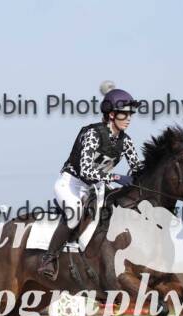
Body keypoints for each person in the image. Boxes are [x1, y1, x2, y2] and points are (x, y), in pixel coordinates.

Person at [38, 88, 145, 280]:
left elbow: (138, 169)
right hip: (71, 184)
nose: (129, 118)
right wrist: (116, 178)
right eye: (125, 114)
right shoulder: (93, 134)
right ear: (111, 115)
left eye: (131, 114)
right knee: (75, 214)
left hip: (97, 187)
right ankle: (49, 259)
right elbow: (86, 171)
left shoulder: (126, 141)